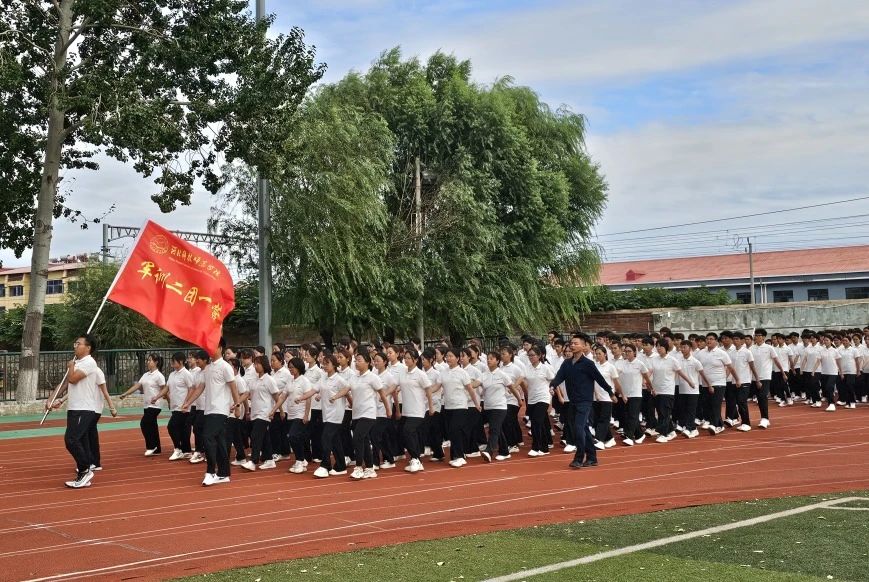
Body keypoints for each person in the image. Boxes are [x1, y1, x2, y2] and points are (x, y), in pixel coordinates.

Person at [179, 342, 241, 486]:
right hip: (209, 409)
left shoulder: (225, 367)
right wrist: (188, 402)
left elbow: (233, 387)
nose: (209, 349)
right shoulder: (208, 368)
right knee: (219, 442)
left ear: (220, 348)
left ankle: (211, 471)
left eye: (212, 346)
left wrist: (237, 406)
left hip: (220, 410)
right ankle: (224, 474)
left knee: (207, 436)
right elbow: (200, 388)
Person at [549, 333, 614, 469]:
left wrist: (610, 392)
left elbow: (600, 379)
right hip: (572, 401)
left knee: (578, 428)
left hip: (585, 402)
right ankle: (592, 458)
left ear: (584, 346)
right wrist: (553, 385)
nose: (572, 345)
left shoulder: (588, 364)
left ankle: (578, 458)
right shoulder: (567, 363)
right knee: (583, 428)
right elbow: (559, 377)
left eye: (576, 343)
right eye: (571, 343)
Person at [48, 334, 103, 488]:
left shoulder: (90, 363)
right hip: (74, 407)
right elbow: (65, 383)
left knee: (71, 440)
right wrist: (51, 399)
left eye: (79, 344)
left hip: (84, 408)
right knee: (80, 441)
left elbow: (72, 379)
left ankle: (85, 469)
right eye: (75, 343)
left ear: (88, 347)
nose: (75, 346)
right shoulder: (78, 362)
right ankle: (83, 473)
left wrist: (71, 366)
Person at [296, 354, 350, 478]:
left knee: (325, 437)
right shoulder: (323, 378)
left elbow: (347, 388)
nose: (324, 366)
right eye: (323, 364)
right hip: (326, 413)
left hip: (336, 413)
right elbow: (313, 390)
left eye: (327, 364)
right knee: (335, 440)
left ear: (334, 365)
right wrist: (301, 398)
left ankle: (325, 465)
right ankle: (341, 466)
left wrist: (336, 396)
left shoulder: (338, 378)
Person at [348, 352, 387, 479]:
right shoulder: (354, 377)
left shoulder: (372, 377)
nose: (356, 362)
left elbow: (382, 394)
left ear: (367, 362)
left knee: (357, 437)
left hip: (369, 413)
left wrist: (388, 410)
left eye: (359, 360)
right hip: (356, 413)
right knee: (363, 440)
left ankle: (359, 467)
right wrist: (336, 396)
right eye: (355, 360)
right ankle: (370, 468)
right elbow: (346, 389)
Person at [119, 353, 167, 456]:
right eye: (147, 360)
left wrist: (168, 400)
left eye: (150, 360)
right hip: (147, 404)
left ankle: (151, 446)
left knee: (144, 424)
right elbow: (137, 386)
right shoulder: (145, 375)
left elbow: (164, 390)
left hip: (155, 405)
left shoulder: (159, 376)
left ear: (156, 362)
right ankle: (157, 449)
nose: (147, 362)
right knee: (152, 425)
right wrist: (126, 394)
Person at [441, 348, 481, 468]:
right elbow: (436, 386)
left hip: (460, 406)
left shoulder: (462, 373)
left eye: (451, 356)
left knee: (455, 429)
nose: (448, 358)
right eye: (447, 356)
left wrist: (477, 404)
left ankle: (460, 457)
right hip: (448, 406)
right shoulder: (443, 372)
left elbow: (471, 390)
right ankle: (455, 456)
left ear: (457, 358)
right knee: (451, 431)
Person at [396, 348, 433, 473]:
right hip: (406, 410)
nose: (406, 360)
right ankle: (416, 460)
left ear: (416, 360)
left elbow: (428, 391)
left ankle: (416, 458)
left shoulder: (420, 374)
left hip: (418, 410)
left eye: (408, 358)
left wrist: (431, 407)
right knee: (408, 434)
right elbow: (394, 386)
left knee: (408, 430)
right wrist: (384, 393)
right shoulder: (403, 373)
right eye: (405, 358)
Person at [479, 351, 520, 463]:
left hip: (500, 407)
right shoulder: (484, 375)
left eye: (491, 358)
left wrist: (519, 400)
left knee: (494, 429)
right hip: (488, 407)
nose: (488, 360)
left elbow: (512, 388)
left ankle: (489, 451)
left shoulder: (502, 375)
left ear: (497, 361)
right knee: (498, 429)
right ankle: (505, 452)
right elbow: (475, 384)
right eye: (488, 358)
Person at [241, 355, 279, 471]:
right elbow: (246, 394)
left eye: (258, 364)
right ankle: (270, 460)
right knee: (264, 437)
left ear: (264, 365)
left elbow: (276, 397)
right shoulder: (254, 380)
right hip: (255, 412)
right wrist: (237, 403)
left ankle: (253, 461)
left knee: (255, 435)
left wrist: (278, 411)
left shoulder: (269, 380)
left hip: (265, 413)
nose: (256, 366)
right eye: (255, 364)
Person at [615, 344, 650, 445]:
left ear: (634, 352)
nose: (627, 353)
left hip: (636, 394)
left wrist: (650, 387)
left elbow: (646, 377)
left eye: (629, 351)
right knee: (627, 416)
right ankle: (639, 434)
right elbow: (615, 376)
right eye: (625, 351)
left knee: (632, 415)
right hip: (624, 394)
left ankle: (629, 436)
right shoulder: (621, 364)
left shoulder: (639, 364)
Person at [524, 347, 555, 456]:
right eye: (529, 355)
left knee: (536, 422)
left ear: (539, 356)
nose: (531, 357)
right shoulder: (527, 368)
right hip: (532, 399)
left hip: (543, 398)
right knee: (538, 423)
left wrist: (552, 395)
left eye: (533, 355)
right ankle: (545, 448)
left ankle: (536, 447)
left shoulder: (545, 368)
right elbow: (523, 380)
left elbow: (553, 381)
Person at [166, 352, 195, 460]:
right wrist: (157, 396)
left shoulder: (186, 374)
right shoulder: (172, 374)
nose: (172, 363)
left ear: (181, 361)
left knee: (171, 426)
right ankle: (186, 451)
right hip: (175, 406)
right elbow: (167, 387)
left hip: (183, 408)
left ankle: (177, 448)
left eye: (174, 361)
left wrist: (186, 402)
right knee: (183, 429)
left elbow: (191, 388)